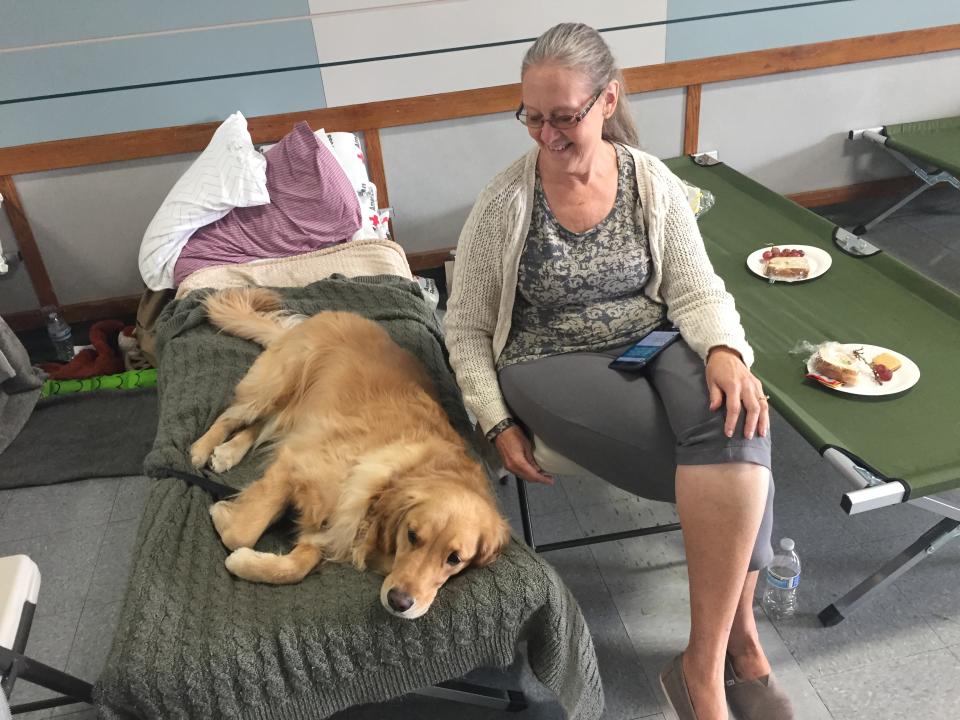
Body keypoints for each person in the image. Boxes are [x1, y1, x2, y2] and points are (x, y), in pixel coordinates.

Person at [443, 22, 795, 720]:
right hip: (548, 357)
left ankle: (710, 655)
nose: (547, 135)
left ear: (607, 102)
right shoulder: (506, 203)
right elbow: (466, 327)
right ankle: (734, 652)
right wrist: (495, 416)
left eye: (564, 116)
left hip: (655, 340)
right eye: (532, 117)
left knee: (741, 419)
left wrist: (724, 351)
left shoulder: (650, 181)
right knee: (734, 468)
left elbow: (696, 291)